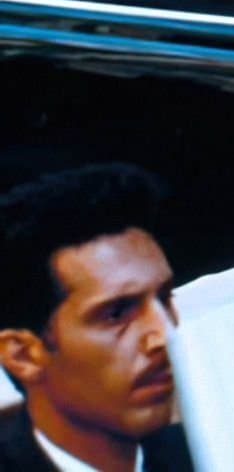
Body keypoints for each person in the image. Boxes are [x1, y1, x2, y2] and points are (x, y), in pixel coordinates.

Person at [0, 165, 192, 472]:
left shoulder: (219, 451)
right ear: (23, 355)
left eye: (164, 298)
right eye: (117, 314)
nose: (164, 335)